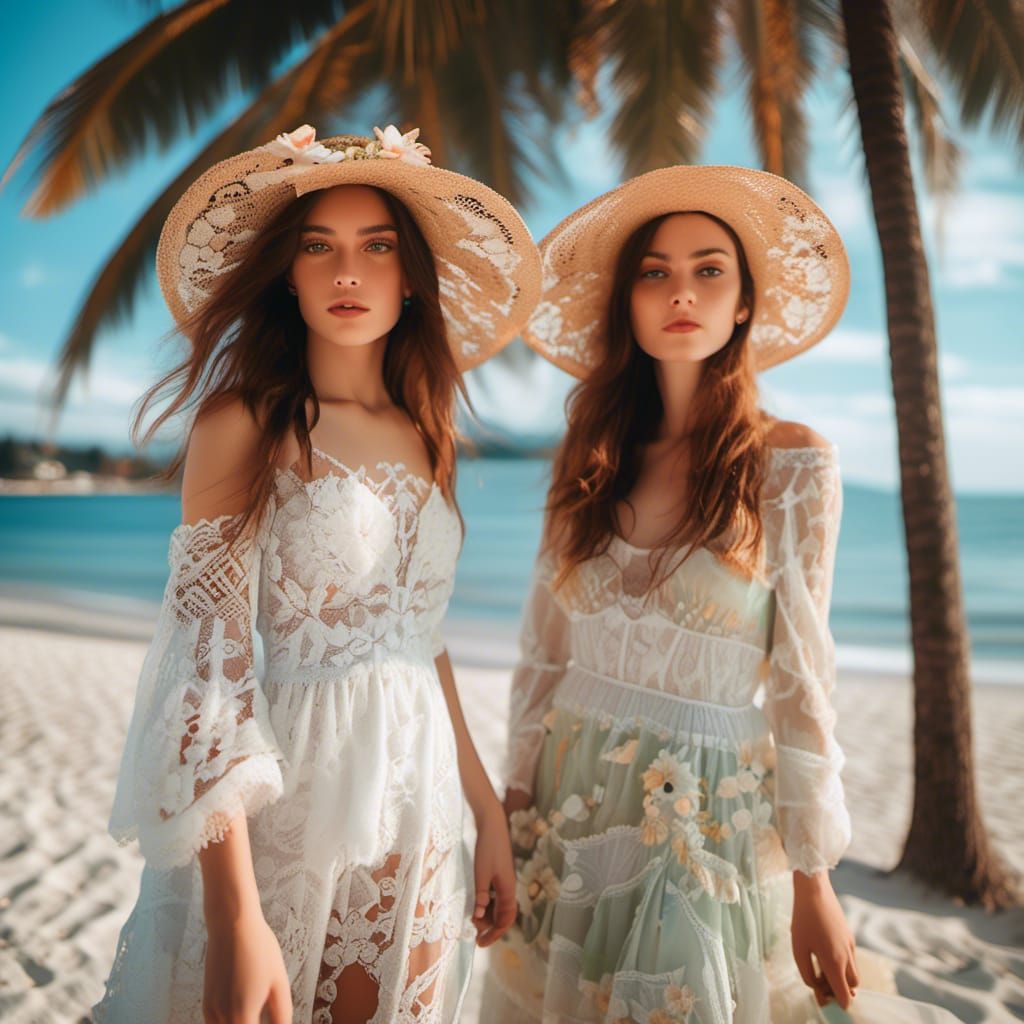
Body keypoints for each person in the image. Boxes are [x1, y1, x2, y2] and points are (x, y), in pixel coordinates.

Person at [486, 166, 959, 1023]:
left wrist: (816, 881)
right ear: (627, 301)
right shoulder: (588, 458)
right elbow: (542, 652)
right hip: (566, 802)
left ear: (744, 303)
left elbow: (801, 679)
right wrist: (507, 810)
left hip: (702, 811)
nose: (682, 292)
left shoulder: (792, 463)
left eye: (710, 270)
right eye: (654, 271)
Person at [92, 123, 541, 1024]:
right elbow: (204, 672)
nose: (348, 274)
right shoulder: (244, 422)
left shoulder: (427, 433)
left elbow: (422, 639)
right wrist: (235, 915)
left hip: (419, 799)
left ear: (410, 276)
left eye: (377, 248)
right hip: (292, 801)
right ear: (286, 273)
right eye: (318, 248)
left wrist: (485, 810)